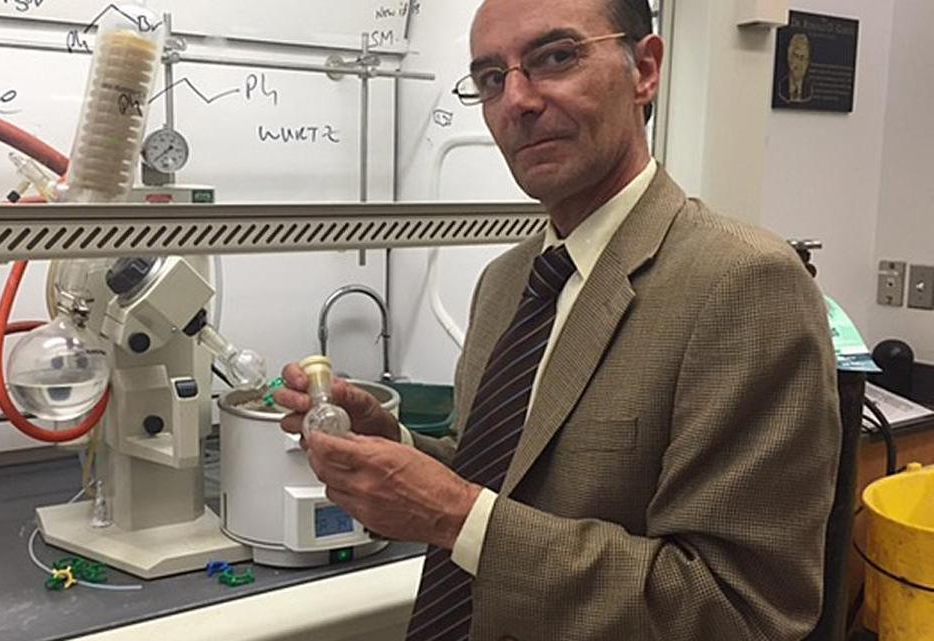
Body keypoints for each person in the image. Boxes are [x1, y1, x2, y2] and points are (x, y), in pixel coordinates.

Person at [274, 0, 841, 639]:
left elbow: (740, 610)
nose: (517, 100)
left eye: (555, 57)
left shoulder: (744, 284)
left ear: (645, 70)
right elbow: (506, 480)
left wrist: (455, 516)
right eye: (492, 78)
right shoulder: (508, 282)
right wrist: (392, 444)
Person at [779, 33, 814, 104]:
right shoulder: (781, 87)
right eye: (797, 57)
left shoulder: (809, 90)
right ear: (789, 58)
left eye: (804, 58)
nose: (800, 63)